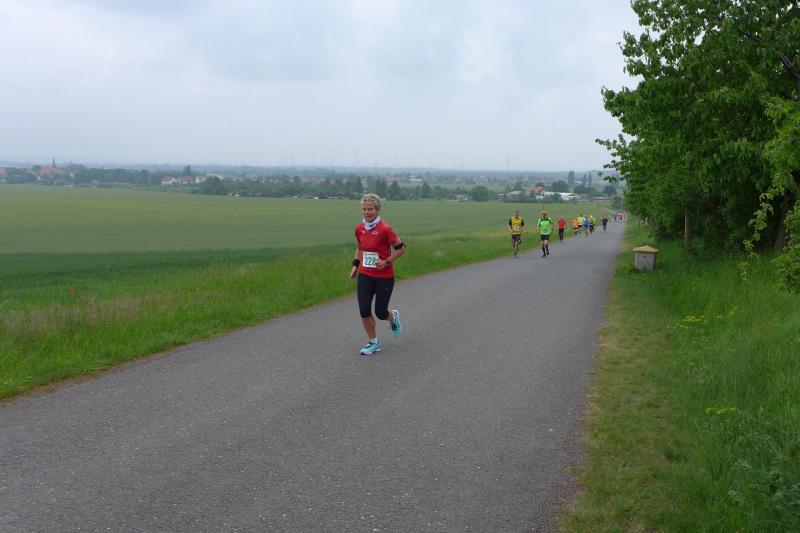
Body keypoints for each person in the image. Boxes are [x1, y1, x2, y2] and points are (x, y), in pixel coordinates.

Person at [349, 193, 406, 355]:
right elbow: (360, 248)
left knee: (381, 313)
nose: (367, 212)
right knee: (364, 310)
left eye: (370, 209)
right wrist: (355, 265)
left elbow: (401, 249)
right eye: (364, 209)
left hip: (384, 277)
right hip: (365, 274)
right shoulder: (359, 229)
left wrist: (386, 261)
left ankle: (393, 317)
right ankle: (373, 342)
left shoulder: (385, 229)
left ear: (378, 210)